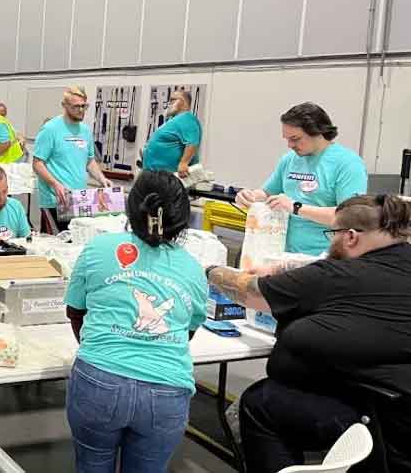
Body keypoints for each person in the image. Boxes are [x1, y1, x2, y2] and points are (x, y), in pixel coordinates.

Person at [205, 194, 411, 473]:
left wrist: (209, 269)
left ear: (350, 237)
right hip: (398, 412)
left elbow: (248, 291)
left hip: (378, 419)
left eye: (333, 234)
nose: (331, 242)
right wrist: (288, 269)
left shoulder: (337, 275)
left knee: (260, 402)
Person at [63, 171, 208, 473]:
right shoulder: (194, 270)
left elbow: (76, 311)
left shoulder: (98, 248)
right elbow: (188, 331)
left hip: (98, 381)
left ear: (131, 206)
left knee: (91, 465)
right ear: (182, 217)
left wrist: (102, 347)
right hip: (166, 391)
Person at [235, 102, 368, 255]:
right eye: (287, 139)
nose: (290, 145)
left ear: (317, 132)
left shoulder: (348, 164)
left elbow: (350, 217)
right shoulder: (290, 159)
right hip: (281, 252)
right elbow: (267, 192)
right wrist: (250, 196)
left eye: (295, 139)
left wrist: (296, 208)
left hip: (323, 256)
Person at [33, 87, 112, 234]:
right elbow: (37, 163)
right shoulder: (50, 129)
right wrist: (55, 184)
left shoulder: (85, 130)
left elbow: (89, 161)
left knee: (76, 244)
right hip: (56, 201)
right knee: (57, 245)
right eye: (76, 106)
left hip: (78, 199)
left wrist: (102, 179)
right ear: (64, 106)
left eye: (84, 106)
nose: (81, 110)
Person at [142, 88, 201, 177]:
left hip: (168, 178)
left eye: (173, 100)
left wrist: (184, 163)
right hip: (153, 174)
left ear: (183, 102)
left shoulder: (187, 118)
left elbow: (192, 142)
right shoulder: (172, 120)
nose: (169, 103)